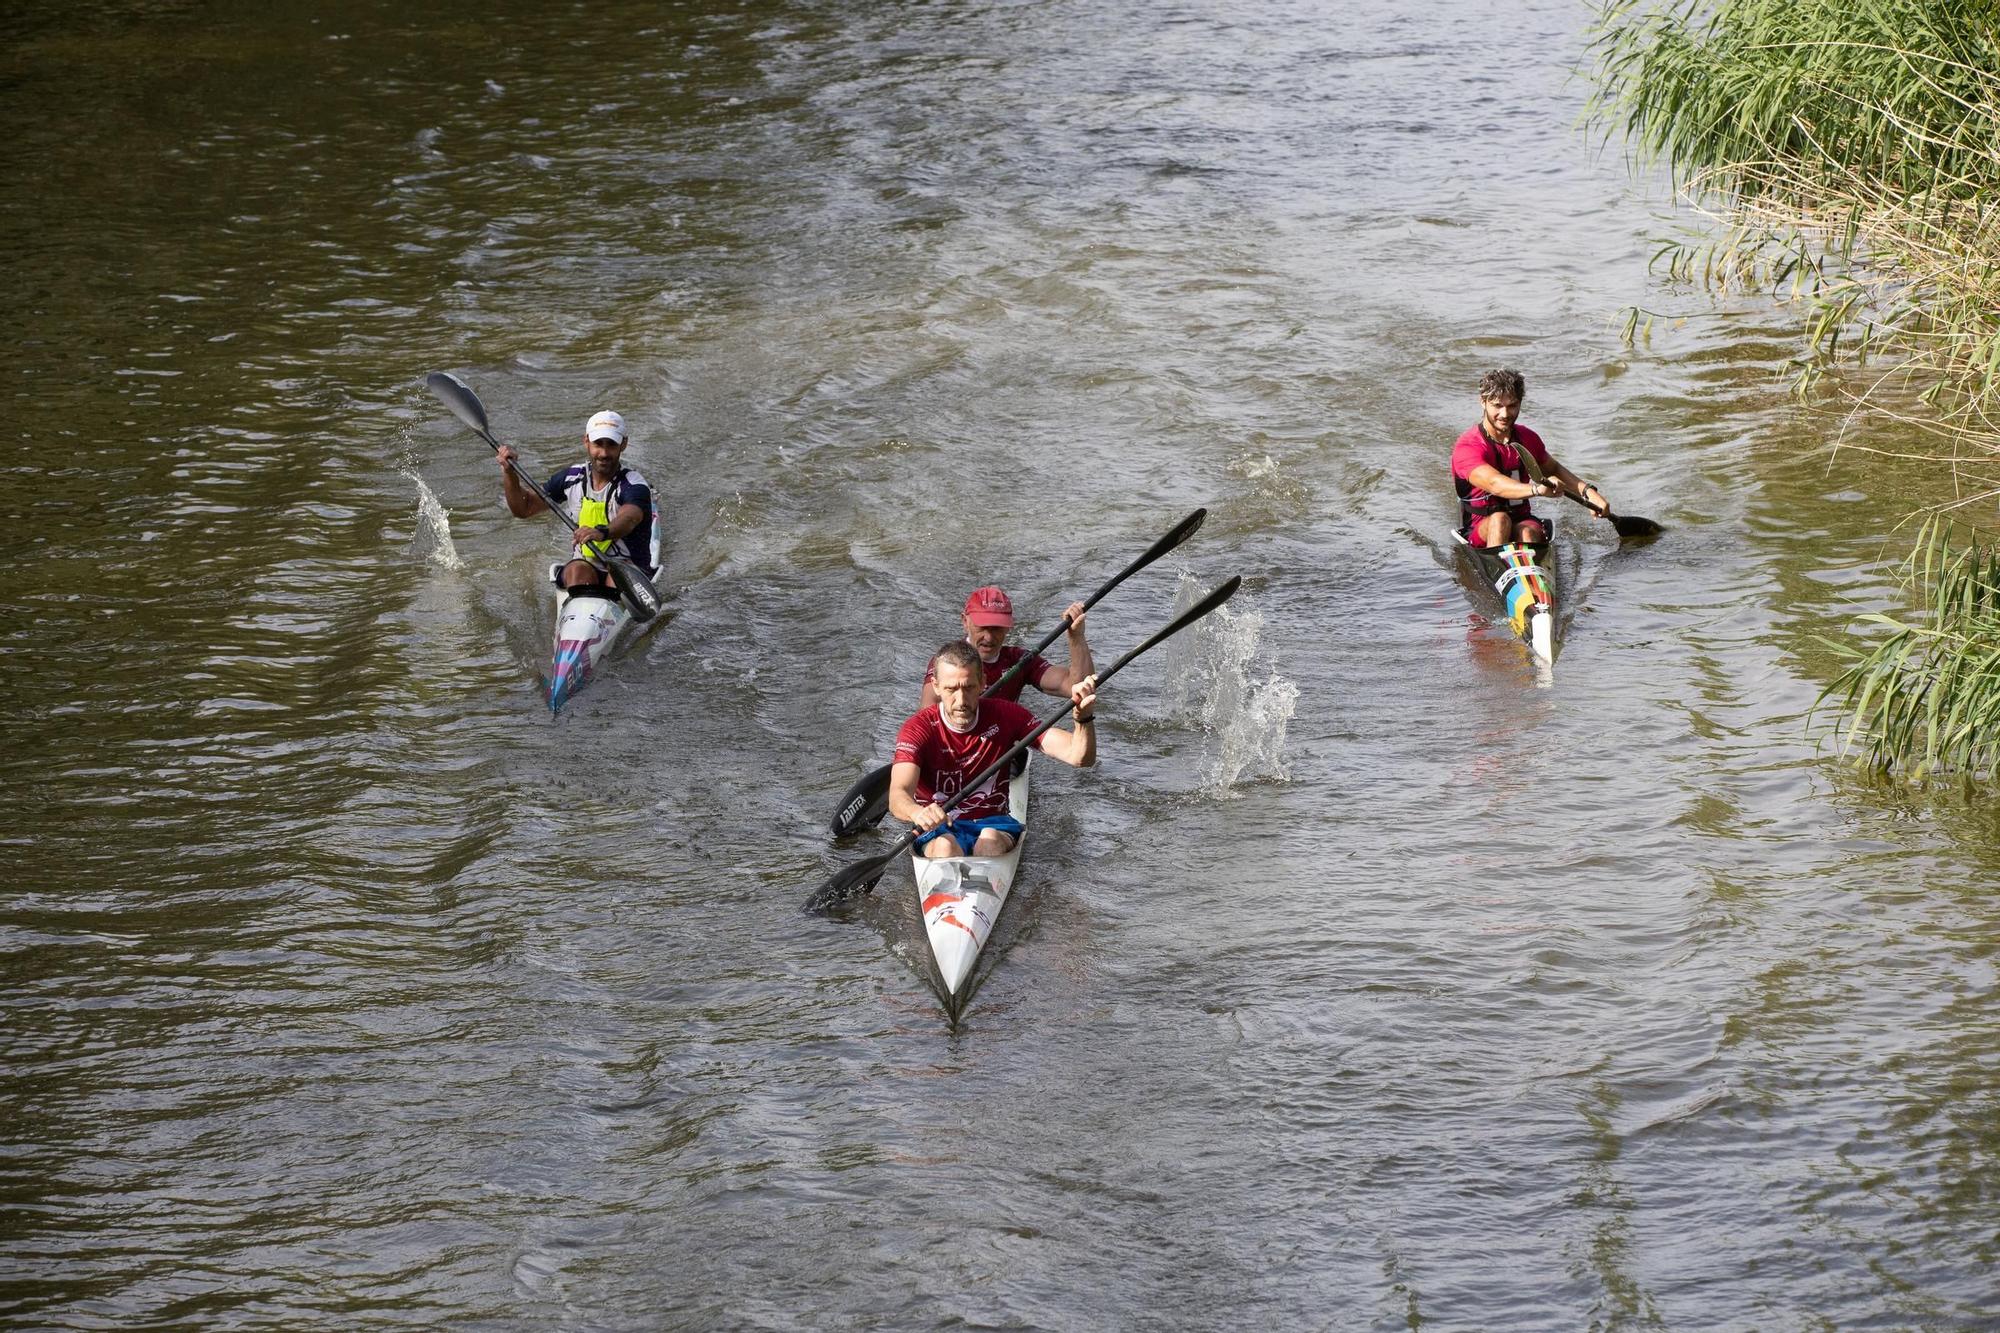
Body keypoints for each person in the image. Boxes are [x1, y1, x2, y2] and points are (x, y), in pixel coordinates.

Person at [891, 640, 1099, 859]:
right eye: (951, 689)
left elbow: (1079, 757)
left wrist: (1083, 719)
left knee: (988, 841)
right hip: (938, 828)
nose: (961, 700)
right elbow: (897, 796)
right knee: (945, 846)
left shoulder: (1007, 715)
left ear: (983, 682)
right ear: (936, 686)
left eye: (969, 687)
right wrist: (918, 812)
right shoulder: (917, 728)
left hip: (993, 823)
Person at [498, 409, 658, 592]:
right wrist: (509, 473)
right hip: (586, 566)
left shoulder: (634, 485)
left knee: (616, 579)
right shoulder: (571, 478)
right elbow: (523, 509)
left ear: (624, 445)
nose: (604, 453)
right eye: (598, 443)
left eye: (611, 445)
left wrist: (601, 532)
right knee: (577, 570)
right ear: (586, 442)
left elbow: (630, 518)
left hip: (628, 567)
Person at [1451, 368, 1613, 548]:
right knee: (1500, 520)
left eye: (1512, 405)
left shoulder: (1528, 438)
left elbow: (1554, 469)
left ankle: (1530, 571)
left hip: (1522, 519)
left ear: (1520, 403)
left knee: (1527, 532)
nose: (1505, 414)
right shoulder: (1468, 446)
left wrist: (1590, 494)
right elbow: (1494, 484)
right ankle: (1500, 569)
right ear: (1483, 402)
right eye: (1497, 405)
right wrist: (1536, 490)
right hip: (1480, 527)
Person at [918, 586, 1093, 709]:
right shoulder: (945, 662)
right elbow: (927, 714)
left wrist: (1076, 636)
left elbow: (1077, 686)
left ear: (1009, 626)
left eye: (996, 629)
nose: (989, 637)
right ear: (965, 621)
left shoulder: (1019, 661)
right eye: (982, 628)